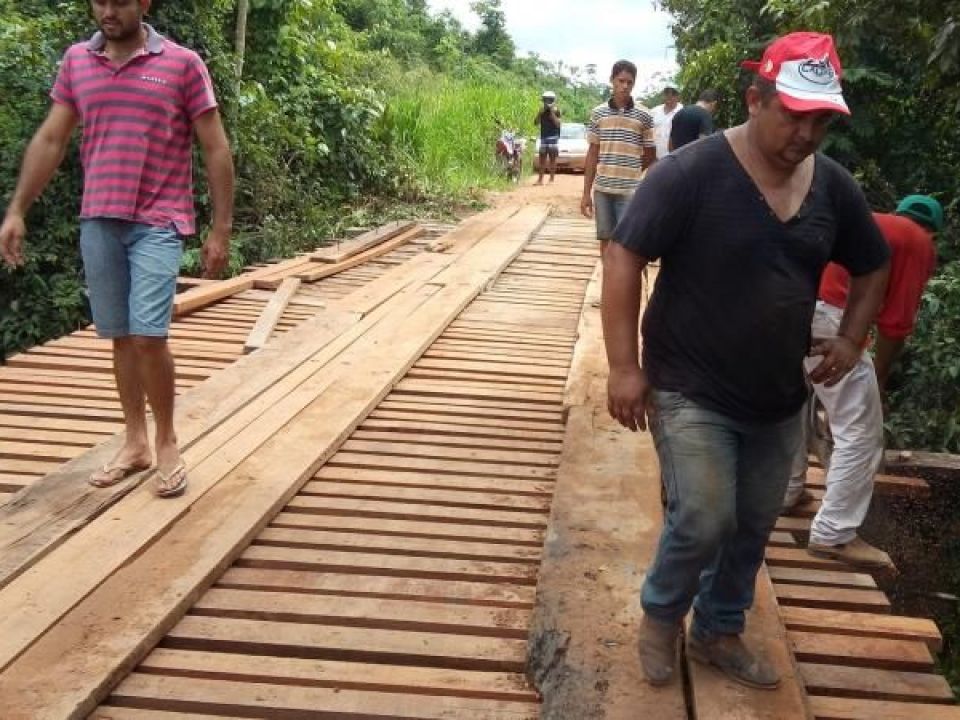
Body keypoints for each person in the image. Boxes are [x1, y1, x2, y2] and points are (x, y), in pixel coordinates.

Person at [603, 32, 890, 689]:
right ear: (755, 100)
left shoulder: (833, 188)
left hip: (777, 393)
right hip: (688, 384)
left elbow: (873, 264)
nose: (806, 134)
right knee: (705, 516)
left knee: (754, 523)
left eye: (821, 121)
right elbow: (623, 256)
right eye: (793, 115)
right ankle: (660, 617)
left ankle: (718, 630)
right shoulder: (689, 174)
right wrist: (623, 367)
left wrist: (852, 338)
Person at [0, 0, 235, 497]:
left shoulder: (182, 64)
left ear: (143, 3)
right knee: (121, 336)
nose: (107, 10)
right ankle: (135, 443)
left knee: (149, 334)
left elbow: (215, 147)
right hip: (99, 219)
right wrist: (17, 209)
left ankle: (166, 440)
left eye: (119, 1)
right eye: (100, 1)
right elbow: (52, 138)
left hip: (159, 220)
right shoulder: (77, 61)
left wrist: (221, 229)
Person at [785, 194, 942, 568]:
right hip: (834, 322)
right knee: (859, 431)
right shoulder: (917, 240)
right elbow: (895, 324)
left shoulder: (870, 221)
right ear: (933, 232)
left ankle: (787, 492)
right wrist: (880, 378)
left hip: (792, 308)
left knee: (791, 406)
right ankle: (834, 534)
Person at [581, 60, 656, 250]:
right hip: (602, 191)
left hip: (629, 192)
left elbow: (650, 153)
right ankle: (607, 272)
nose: (625, 86)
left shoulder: (645, 115)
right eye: (621, 81)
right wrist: (586, 194)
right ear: (612, 80)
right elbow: (592, 153)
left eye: (630, 82)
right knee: (605, 242)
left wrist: (632, 172)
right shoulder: (598, 113)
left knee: (626, 244)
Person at [534, 90, 561, 184]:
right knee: (542, 159)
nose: (547, 102)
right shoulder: (541, 110)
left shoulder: (556, 110)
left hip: (553, 138)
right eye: (546, 100)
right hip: (543, 138)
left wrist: (551, 112)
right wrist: (540, 113)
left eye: (549, 100)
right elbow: (535, 123)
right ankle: (540, 180)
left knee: (552, 159)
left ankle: (551, 179)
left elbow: (558, 124)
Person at [650, 86, 683, 160]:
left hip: (673, 157)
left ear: (678, 96)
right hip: (653, 156)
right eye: (666, 93)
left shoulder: (683, 112)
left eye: (673, 93)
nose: (669, 95)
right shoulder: (654, 111)